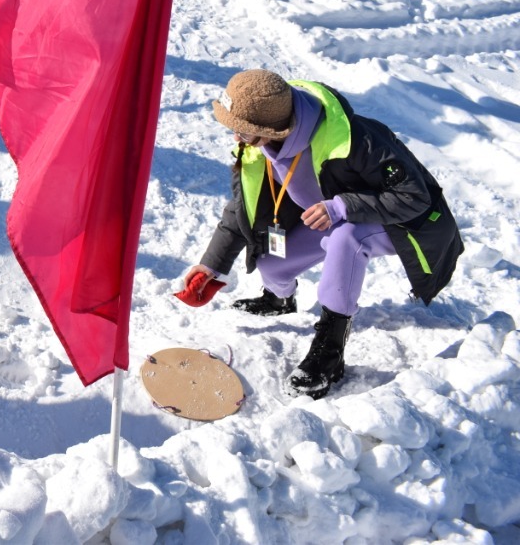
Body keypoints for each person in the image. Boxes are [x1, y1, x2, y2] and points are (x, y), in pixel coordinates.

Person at [181, 70, 464, 399]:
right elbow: (241, 208)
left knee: (348, 237)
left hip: (398, 222)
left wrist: (342, 206)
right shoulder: (259, 145)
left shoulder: (358, 140)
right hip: (331, 215)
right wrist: (211, 267)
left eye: (243, 131)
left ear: (273, 129)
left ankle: (330, 352)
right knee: (272, 263)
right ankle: (279, 298)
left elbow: (414, 198)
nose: (236, 138)